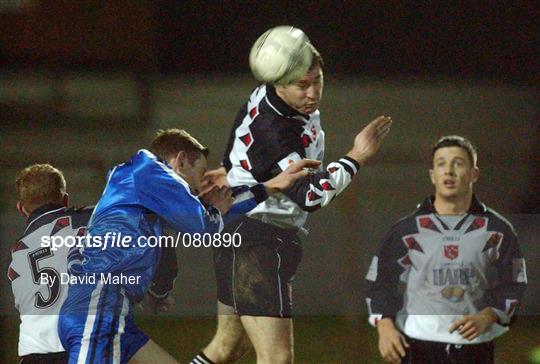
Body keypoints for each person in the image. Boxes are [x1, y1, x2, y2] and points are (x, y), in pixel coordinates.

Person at [191, 26, 392, 364]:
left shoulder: (271, 99)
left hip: (242, 231)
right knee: (277, 359)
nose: (313, 92)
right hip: (256, 238)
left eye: (318, 80)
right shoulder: (277, 131)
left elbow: (243, 129)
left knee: (227, 348)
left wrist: (233, 167)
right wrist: (357, 156)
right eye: (302, 85)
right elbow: (310, 196)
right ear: (278, 83)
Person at [57, 128, 319, 364]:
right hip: (96, 307)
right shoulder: (148, 171)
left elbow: (207, 219)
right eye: (200, 173)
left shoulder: (142, 186)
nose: (199, 185)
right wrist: (219, 209)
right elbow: (204, 225)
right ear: (180, 160)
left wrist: (273, 186)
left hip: (111, 311)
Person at [365, 135, 527, 363]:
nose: (448, 171)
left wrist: (489, 315)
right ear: (432, 175)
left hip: (475, 347)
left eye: (458, 163)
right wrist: (385, 326)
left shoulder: (498, 230)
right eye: (441, 164)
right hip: (417, 344)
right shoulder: (407, 230)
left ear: (474, 174)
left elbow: (514, 283)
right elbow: (380, 280)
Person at [9, 163, 93, 363]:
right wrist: (159, 292)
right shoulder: (90, 220)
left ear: (21, 209)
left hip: (36, 356)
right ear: (65, 200)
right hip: (84, 349)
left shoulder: (15, 255)